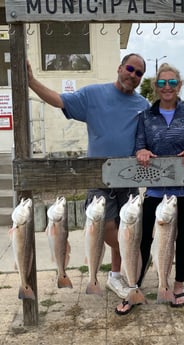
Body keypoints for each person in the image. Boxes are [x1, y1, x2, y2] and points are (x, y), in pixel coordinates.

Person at [27, 53, 150, 299]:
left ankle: (116, 276)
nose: (133, 75)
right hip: (98, 178)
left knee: (122, 225)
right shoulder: (93, 94)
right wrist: (31, 81)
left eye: (139, 73)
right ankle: (136, 255)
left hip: (128, 179)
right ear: (119, 68)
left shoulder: (143, 105)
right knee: (106, 228)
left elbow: (149, 138)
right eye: (130, 69)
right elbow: (59, 100)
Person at [115, 62, 184, 315]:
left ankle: (177, 286)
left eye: (171, 83)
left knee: (182, 240)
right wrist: (142, 151)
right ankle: (133, 287)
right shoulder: (146, 116)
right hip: (157, 192)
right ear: (155, 87)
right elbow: (139, 145)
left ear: (179, 86)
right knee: (143, 240)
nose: (166, 87)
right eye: (161, 83)